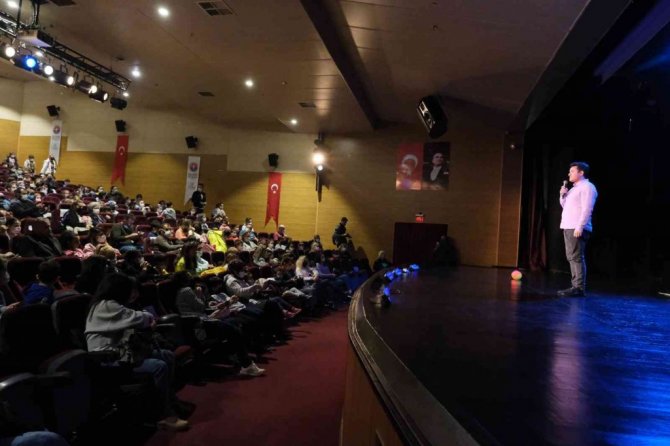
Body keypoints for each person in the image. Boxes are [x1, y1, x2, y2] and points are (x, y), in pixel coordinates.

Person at [85, 273, 189, 431]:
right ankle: (163, 414)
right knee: (159, 366)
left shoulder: (107, 304)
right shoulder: (106, 305)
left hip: (122, 352)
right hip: (108, 359)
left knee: (167, 355)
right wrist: (147, 319)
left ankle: (169, 400)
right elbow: (142, 317)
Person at [173, 272, 265, 377]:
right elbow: (201, 307)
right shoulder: (186, 290)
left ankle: (241, 359)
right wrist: (199, 293)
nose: (191, 278)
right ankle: (247, 365)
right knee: (233, 330)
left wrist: (220, 304)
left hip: (201, 321)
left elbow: (202, 308)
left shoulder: (180, 291)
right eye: (189, 276)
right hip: (199, 325)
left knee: (234, 324)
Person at [558, 161, 598, 297]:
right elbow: (566, 207)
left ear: (581, 173)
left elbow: (587, 209)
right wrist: (562, 195)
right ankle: (575, 286)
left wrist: (580, 226)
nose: (569, 174)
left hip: (577, 227)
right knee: (572, 257)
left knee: (576, 257)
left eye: (572, 171)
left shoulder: (588, 187)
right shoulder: (574, 189)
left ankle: (579, 287)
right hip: (569, 226)